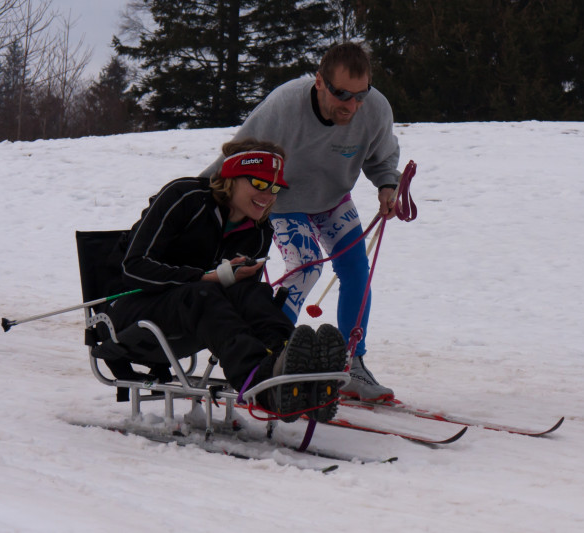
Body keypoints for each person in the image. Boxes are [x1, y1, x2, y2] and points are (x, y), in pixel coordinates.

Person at [201, 42, 401, 402]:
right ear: (320, 82)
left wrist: (388, 184)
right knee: (306, 267)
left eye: (360, 95)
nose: (352, 105)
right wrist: (196, 194)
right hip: (282, 200)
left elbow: (382, 155)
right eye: (342, 94)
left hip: (333, 198)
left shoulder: (375, 109)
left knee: (357, 269)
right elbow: (238, 156)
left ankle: (352, 365)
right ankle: (272, 356)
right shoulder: (284, 106)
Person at [96, 138, 347, 422]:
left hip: (191, 317)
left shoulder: (258, 230)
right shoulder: (185, 197)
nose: (268, 196)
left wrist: (232, 281)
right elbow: (133, 268)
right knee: (203, 294)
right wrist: (207, 277)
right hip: (127, 309)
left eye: (275, 188)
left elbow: (240, 297)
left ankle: (288, 365)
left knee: (254, 294)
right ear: (231, 178)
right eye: (260, 184)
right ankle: (259, 382)